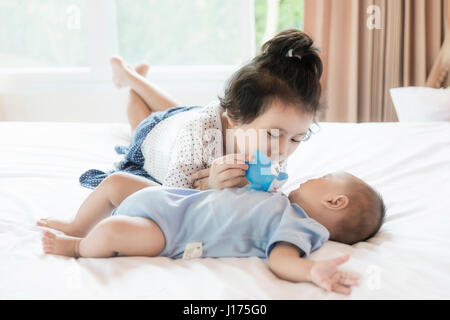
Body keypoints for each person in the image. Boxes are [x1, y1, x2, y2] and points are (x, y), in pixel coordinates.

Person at [38, 171, 385, 295]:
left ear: (335, 200)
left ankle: (79, 245)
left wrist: (311, 271)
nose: (311, 178)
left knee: (113, 230)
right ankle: (76, 223)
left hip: (169, 232)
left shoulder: (300, 226)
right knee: (115, 182)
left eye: (322, 177)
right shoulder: (279, 198)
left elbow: (282, 260)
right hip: (173, 200)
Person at [79, 29, 323, 191]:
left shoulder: (277, 143)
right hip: (163, 134)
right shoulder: (198, 135)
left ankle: (131, 75)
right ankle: (131, 83)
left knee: (180, 112)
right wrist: (208, 185)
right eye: (273, 134)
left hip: (188, 119)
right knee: (144, 123)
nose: (283, 150)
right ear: (235, 118)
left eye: (298, 138)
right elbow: (171, 193)